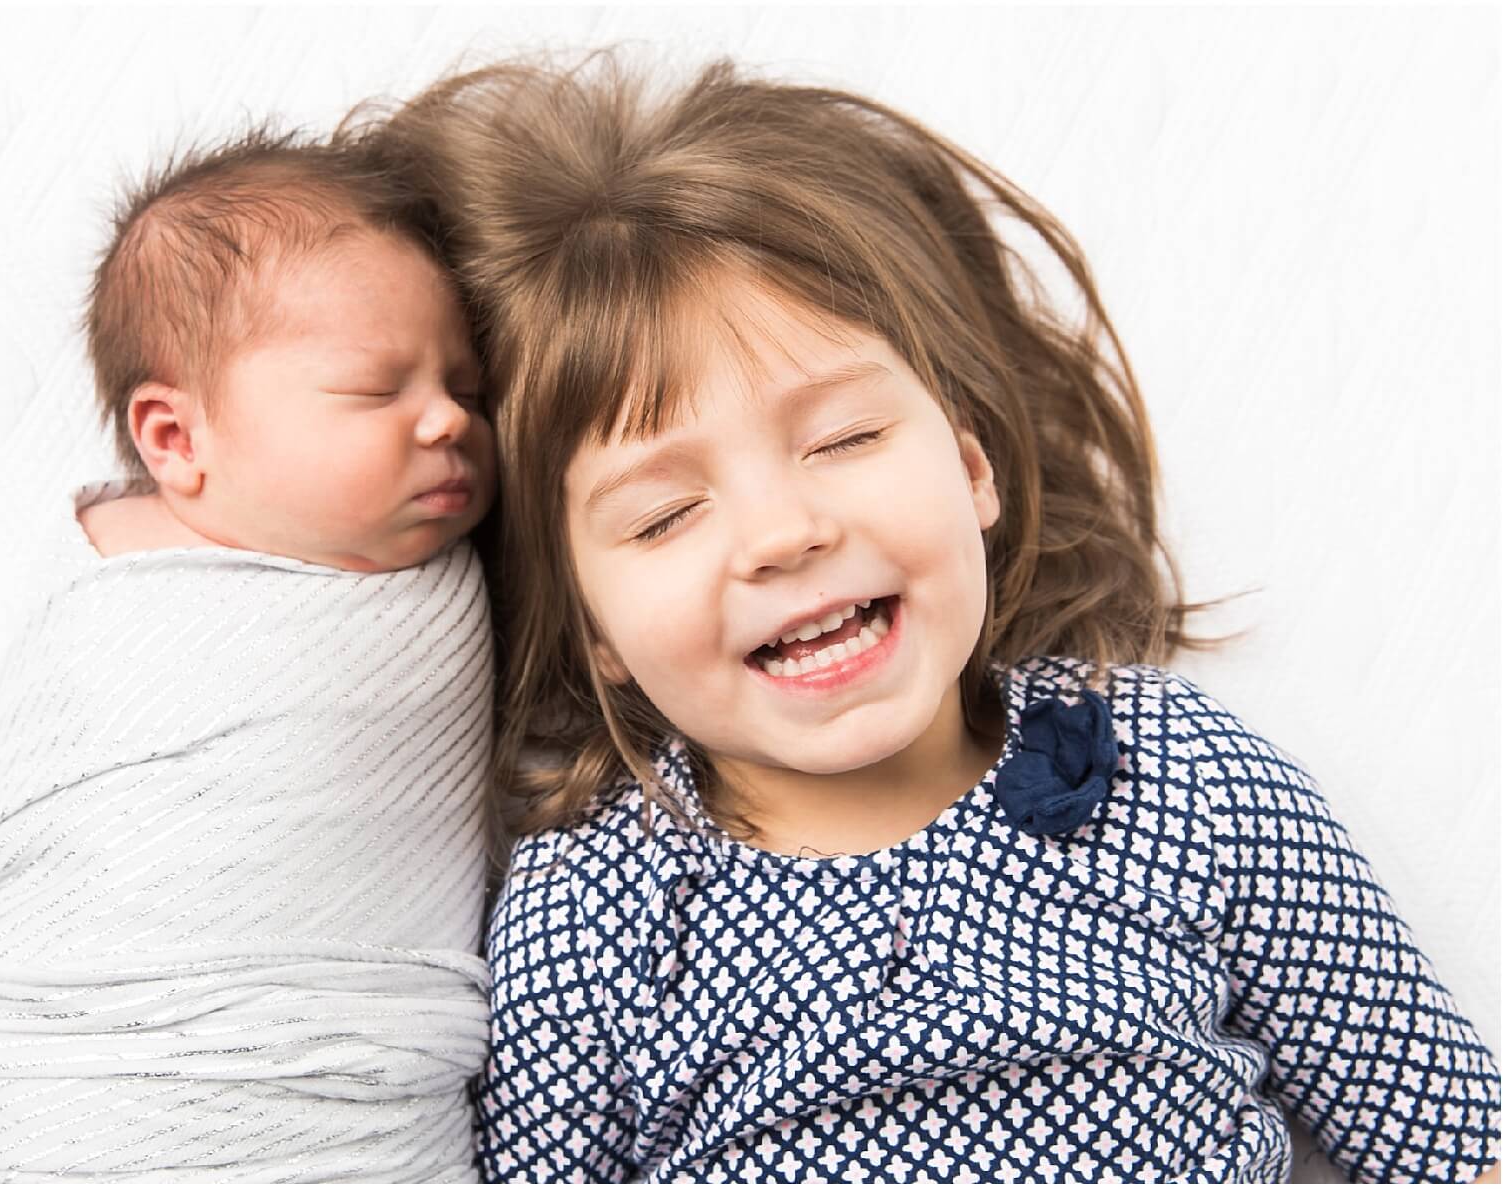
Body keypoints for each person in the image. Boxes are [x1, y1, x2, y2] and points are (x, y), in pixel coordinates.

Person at [372, 56, 1503, 1182]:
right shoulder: (591, 922)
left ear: (970, 469)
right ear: (594, 632)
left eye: (843, 440)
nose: (782, 531)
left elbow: (1459, 1144)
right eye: (666, 514)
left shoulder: (1180, 778)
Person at [0, 127, 497, 1182]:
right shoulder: (118, 604)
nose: (448, 421)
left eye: (467, 387)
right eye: (378, 391)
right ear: (175, 442)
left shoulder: (452, 579)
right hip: (83, 1073)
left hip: (344, 1110)